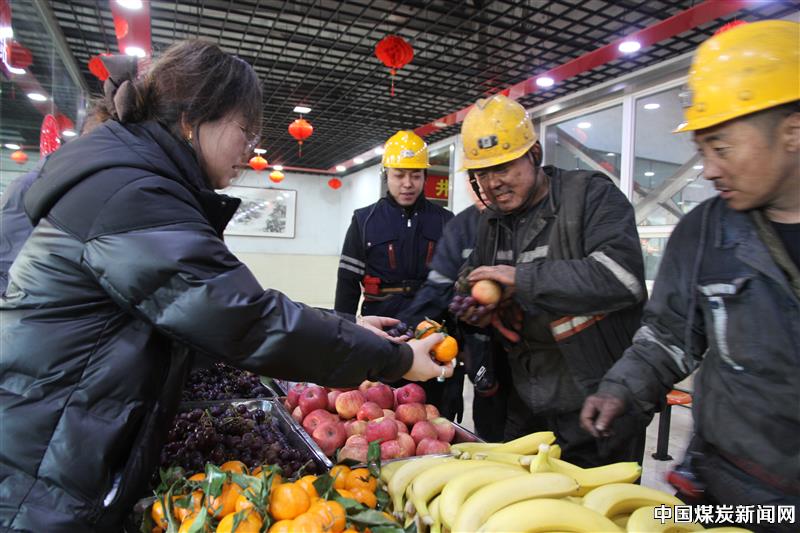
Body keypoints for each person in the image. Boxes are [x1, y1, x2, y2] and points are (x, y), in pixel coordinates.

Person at [0, 41, 452, 532]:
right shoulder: (133, 192)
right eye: (245, 130)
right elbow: (244, 320)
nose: (250, 148)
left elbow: (223, 306)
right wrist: (395, 359)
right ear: (192, 120)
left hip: (58, 440)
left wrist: (348, 324)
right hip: (43, 466)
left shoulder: (132, 179)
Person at [581, 20, 799, 532]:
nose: (710, 169)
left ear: (792, 131)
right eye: (703, 151)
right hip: (728, 488)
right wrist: (621, 387)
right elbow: (669, 335)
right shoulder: (704, 232)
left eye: (722, 147)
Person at [455, 93, 648, 466]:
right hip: (526, 403)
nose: (493, 183)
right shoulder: (492, 222)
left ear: (535, 154)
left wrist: (523, 280)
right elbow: (471, 274)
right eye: (482, 173)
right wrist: (475, 302)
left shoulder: (590, 196)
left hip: (595, 403)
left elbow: (622, 277)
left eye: (503, 167)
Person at [398, 197, 510, 440]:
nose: (486, 185)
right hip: (482, 354)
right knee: (490, 433)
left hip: (538, 363)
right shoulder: (463, 224)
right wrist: (401, 335)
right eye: (476, 179)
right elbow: (436, 292)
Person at [334, 130, 454, 319]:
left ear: (425, 177)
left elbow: (455, 278)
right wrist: (342, 327)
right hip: (380, 323)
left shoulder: (444, 220)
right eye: (399, 175)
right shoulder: (364, 220)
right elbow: (347, 282)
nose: (407, 184)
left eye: (416, 176)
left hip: (432, 322)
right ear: (386, 175)